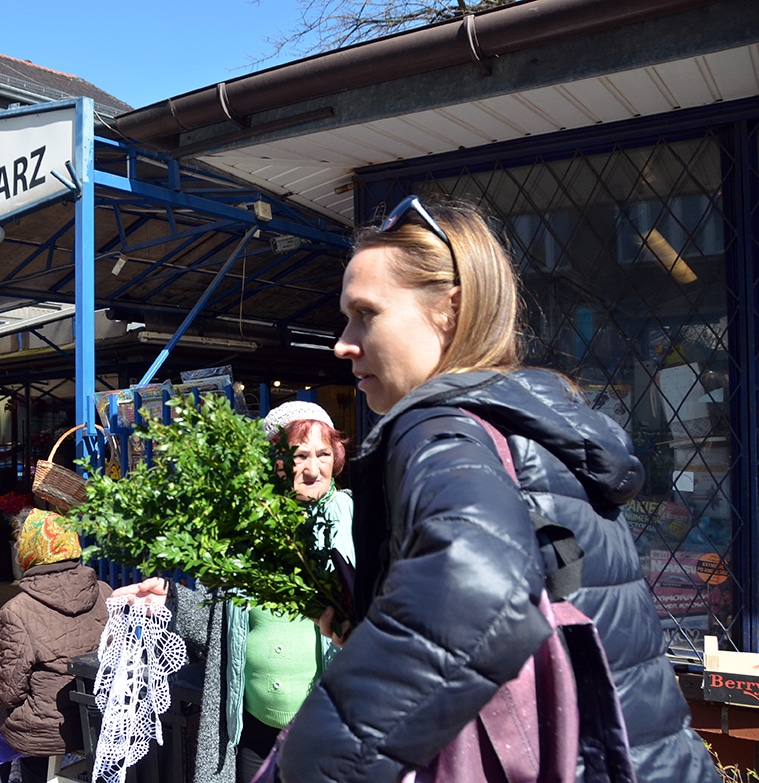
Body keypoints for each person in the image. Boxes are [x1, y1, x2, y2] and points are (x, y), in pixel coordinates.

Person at [272, 196, 717, 780]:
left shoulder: (433, 426)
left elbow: (482, 595)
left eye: (366, 314)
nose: (343, 343)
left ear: (448, 312)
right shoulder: (525, 423)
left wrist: (306, 768)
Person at [113, 400, 354, 783]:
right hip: (252, 732)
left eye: (323, 454)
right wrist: (171, 601)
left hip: (332, 735)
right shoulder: (242, 535)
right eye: (299, 455)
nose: (313, 469)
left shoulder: (354, 527)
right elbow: (216, 625)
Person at [0, 507, 112, 783]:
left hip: (45, 729)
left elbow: (9, 693)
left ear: (29, 549)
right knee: (30, 736)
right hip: (99, 719)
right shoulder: (104, 591)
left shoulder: (17, 610)